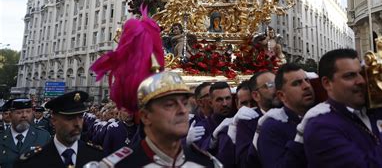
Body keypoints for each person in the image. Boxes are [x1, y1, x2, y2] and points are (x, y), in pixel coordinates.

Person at [299, 48, 382, 168]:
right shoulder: (320, 128)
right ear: (327, 83)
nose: (361, 81)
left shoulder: (377, 109)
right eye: (350, 76)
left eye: (361, 73)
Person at [93, 71, 222, 167]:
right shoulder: (120, 165)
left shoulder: (205, 163)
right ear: (145, 116)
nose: (183, 110)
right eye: (170, 104)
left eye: (185, 102)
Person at [14, 91, 102, 168]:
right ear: (53, 120)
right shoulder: (31, 162)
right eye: (70, 118)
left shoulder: (97, 157)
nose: (77, 124)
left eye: (80, 117)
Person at [254, 63, 315, 168]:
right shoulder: (272, 128)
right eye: (297, 83)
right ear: (282, 96)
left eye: (307, 80)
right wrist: (299, 138)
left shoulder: (321, 115)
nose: (306, 86)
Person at [235, 71, 277, 168]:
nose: (276, 88)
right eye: (270, 85)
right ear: (256, 96)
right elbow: (245, 163)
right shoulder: (247, 123)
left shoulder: (292, 111)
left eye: (278, 83)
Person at [0, 99, 50, 168]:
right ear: (10, 115)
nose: (24, 115)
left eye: (28, 112)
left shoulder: (43, 136)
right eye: (19, 112)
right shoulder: (2, 137)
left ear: (32, 113)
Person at [190, 82, 234, 151]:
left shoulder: (239, 120)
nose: (225, 104)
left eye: (228, 98)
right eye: (219, 100)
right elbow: (200, 152)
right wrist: (213, 138)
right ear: (211, 103)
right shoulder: (201, 127)